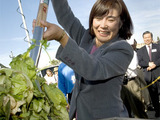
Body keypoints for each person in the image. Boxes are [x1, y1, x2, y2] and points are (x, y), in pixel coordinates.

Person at [32, 0, 134, 119]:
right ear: (92, 20)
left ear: (121, 23)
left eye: (111, 20)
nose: (103, 25)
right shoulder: (85, 38)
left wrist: (61, 37)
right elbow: (65, 16)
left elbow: (94, 69)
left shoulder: (123, 49)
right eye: (98, 18)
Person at [121, 39, 148, 118]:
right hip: (122, 83)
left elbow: (133, 66)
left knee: (137, 105)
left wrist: (121, 64)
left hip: (131, 82)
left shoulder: (133, 53)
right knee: (124, 106)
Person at [137, 31, 160, 118]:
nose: (147, 39)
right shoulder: (140, 51)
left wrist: (155, 64)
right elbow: (140, 62)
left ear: (151, 38)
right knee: (153, 95)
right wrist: (148, 64)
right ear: (143, 39)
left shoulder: (158, 47)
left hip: (158, 73)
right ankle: (158, 111)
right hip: (148, 76)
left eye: (148, 37)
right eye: (145, 37)